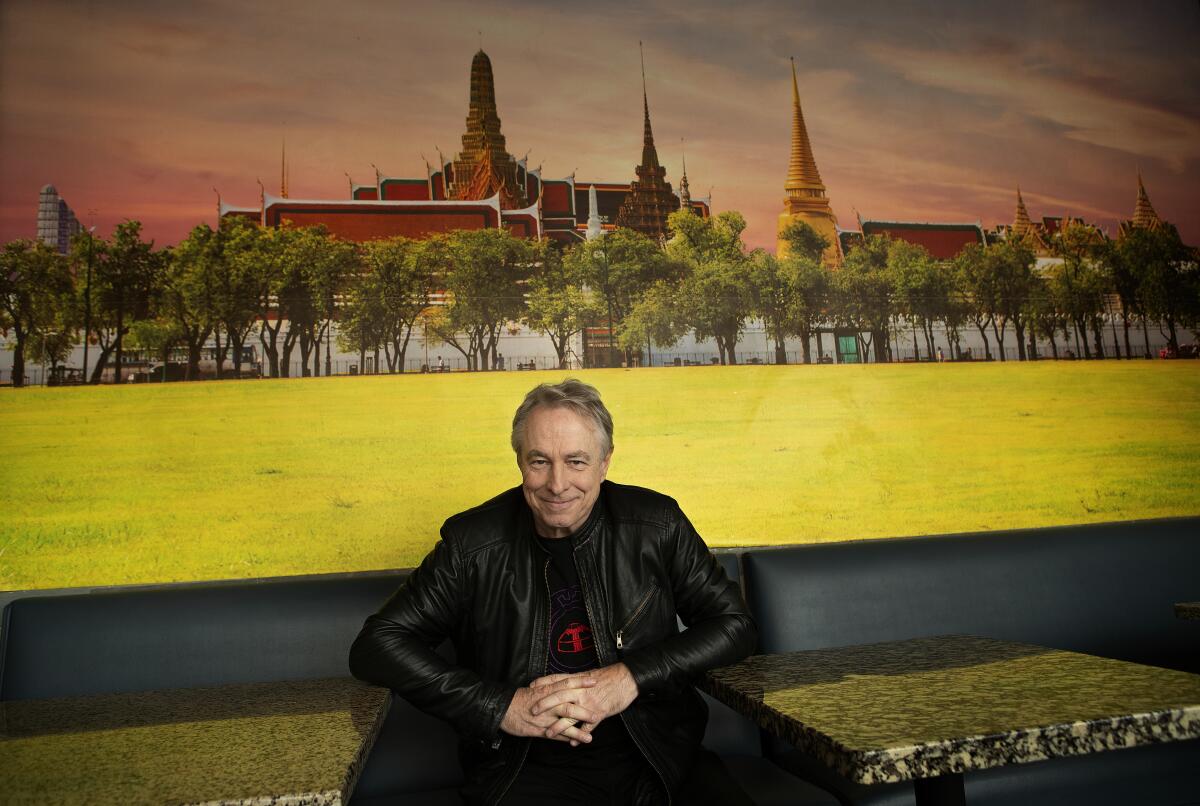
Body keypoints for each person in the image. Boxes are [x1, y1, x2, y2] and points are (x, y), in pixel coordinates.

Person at [350, 379, 757, 805]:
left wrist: (631, 677)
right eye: (540, 461)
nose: (557, 484)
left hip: (660, 755)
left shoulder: (657, 524)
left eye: (576, 461)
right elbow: (376, 645)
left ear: (605, 462)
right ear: (520, 462)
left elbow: (736, 625)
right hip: (523, 768)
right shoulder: (472, 544)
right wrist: (502, 706)